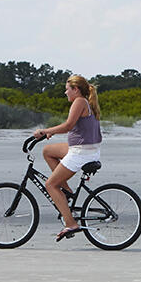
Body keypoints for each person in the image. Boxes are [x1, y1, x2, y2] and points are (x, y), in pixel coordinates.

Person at [33, 74, 102, 242]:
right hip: (86, 149)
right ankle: (67, 193)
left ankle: (71, 224)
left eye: (67, 89)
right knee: (48, 151)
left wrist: (45, 131)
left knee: (50, 185)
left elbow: (68, 126)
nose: (65, 92)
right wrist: (50, 132)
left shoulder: (79, 101)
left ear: (75, 89)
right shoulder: (85, 102)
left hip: (81, 152)